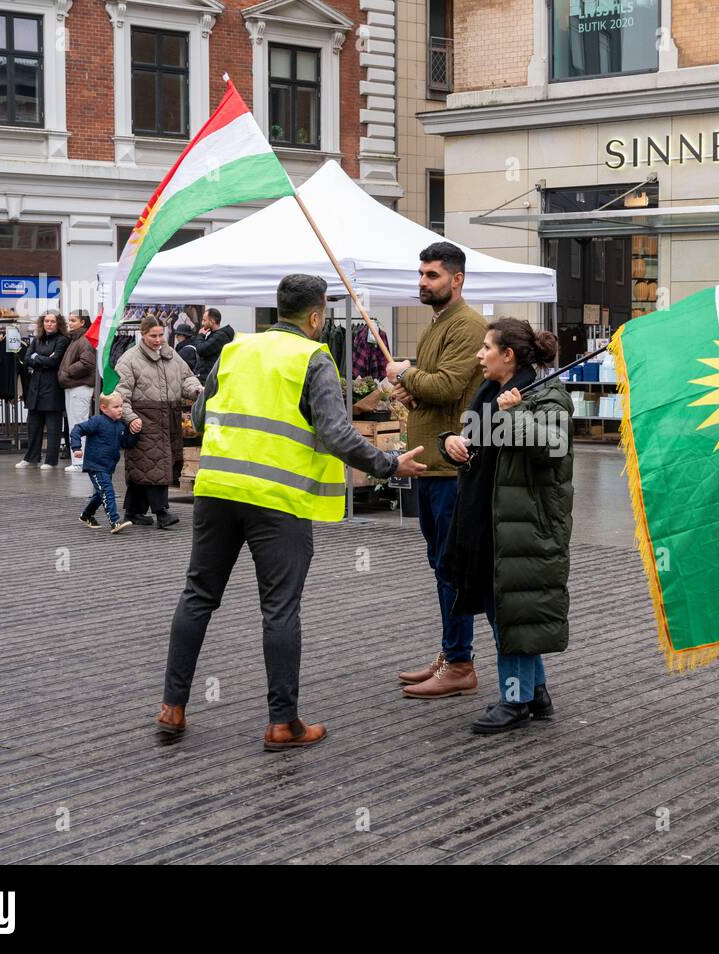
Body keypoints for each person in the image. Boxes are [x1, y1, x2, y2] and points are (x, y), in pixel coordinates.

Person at [156, 274, 428, 750]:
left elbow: (199, 417)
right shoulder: (313, 358)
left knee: (198, 595)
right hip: (277, 500)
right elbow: (339, 434)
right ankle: (282, 723)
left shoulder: (236, 349)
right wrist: (389, 463)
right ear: (317, 317)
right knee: (279, 608)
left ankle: (172, 707)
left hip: (217, 488)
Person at [439, 318, 574, 734]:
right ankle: (535, 693)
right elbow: (476, 439)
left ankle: (514, 701)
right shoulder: (491, 393)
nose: (479, 355)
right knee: (509, 610)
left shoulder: (548, 394)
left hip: (525, 525)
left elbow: (554, 445)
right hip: (490, 520)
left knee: (511, 611)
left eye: (486, 348)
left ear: (508, 355)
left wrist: (510, 415)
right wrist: (453, 443)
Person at [385, 242, 489, 699]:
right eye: (421, 274)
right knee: (440, 564)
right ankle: (451, 653)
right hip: (429, 465)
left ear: (456, 279)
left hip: (451, 468)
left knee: (451, 566)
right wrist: (412, 389)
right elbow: (436, 387)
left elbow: (446, 385)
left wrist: (404, 373)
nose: (423, 282)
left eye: (431, 275)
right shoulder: (438, 322)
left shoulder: (467, 325)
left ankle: (460, 661)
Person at [114, 316, 204, 528]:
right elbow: (121, 395)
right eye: (152, 336)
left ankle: (133, 512)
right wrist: (130, 418)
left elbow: (186, 378)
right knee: (155, 467)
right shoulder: (129, 360)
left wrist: (196, 389)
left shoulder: (171, 355)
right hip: (144, 420)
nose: (157, 340)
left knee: (145, 468)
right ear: (143, 335)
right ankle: (162, 512)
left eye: (160, 335)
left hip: (169, 420)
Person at [71, 392, 141, 534]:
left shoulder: (120, 425)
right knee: (108, 492)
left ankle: (86, 515)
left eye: (121, 406)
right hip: (96, 465)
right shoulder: (97, 421)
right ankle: (114, 522)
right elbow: (77, 429)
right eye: (116, 407)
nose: (120, 409)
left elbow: (126, 443)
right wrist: (76, 447)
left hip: (108, 467)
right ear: (103, 408)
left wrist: (134, 433)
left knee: (100, 493)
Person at [16, 310, 68, 469]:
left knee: (53, 428)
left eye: (52, 321)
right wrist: (43, 359)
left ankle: (51, 461)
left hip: (53, 389)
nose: (49, 324)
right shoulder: (36, 340)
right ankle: (31, 457)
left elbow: (54, 362)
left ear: (58, 324)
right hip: (35, 388)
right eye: (46, 321)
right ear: (42, 323)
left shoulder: (62, 340)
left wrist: (36, 358)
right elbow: (26, 359)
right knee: (33, 425)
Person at [58, 310, 96, 474]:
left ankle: (80, 461)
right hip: (74, 386)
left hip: (79, 387)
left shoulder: (84, 340)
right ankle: (79, 460)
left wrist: (67, 372)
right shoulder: (78, 339)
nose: (70, 323)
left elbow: (87, 363)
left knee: (78, 424)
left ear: (82, 322)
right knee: (76, 423)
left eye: (73, 320)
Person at [193, 307, 234, 382]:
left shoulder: (220, 336)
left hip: (211, 378)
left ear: (212, 321)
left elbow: (201, 350)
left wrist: (201, 335)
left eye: (204, 320)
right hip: (209, 376)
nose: (202, 323)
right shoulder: (215, 334)